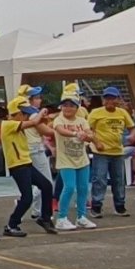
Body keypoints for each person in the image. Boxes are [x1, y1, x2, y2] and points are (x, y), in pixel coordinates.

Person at [1, 96, 56, 237]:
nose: (26, 116)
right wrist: (42, 112)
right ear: (16, 114)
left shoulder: (18, 125)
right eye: (24, 113)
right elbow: (34, 122)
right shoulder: (8, 124)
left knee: (47, 186)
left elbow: (37, 123)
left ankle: (45, 218)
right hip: (18, 165)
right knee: (27, 197)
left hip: (26, 163)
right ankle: (11, 225)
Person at [87, 87, 135, 218]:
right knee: (100, 179)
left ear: (118, 99)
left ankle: (120, 205)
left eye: (113, 98)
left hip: (117, 150)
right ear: (103, 100)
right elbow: (88, 130)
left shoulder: (122, 113)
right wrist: (96, 142)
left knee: (119, 180)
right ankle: (96, 205)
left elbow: (132, 128)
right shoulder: (96, 113)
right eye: (107, 98)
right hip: (101, 151)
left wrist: (132, 136)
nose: (110, 101)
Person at [52, 94, 97, 230]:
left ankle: (81, 217)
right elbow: (60, 131)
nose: (68, 108)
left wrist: (87, 136)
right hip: (66, 160)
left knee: (83, 188)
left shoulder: (82, 121)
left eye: (71, 105)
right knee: (69, 187)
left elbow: (90, 135)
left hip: (82, 159)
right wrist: (76, 134)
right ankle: (62, 218)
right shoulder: (58, 120)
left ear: (77, 107)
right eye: (65, 105)